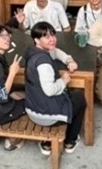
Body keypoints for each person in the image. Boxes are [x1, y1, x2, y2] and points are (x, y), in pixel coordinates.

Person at [24, 21, 86, 155]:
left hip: (32, 108)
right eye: (46, 36)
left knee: (69, 95)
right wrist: (63, 80)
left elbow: (55, 52)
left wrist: (69, 60)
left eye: (53, 35)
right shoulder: (44, 63)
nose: (52, 39)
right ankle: (70, 140)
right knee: (79, 99)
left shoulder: (33, 52)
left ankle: (47, 143)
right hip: (45, 116)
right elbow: (50, 90)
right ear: (37, 40)